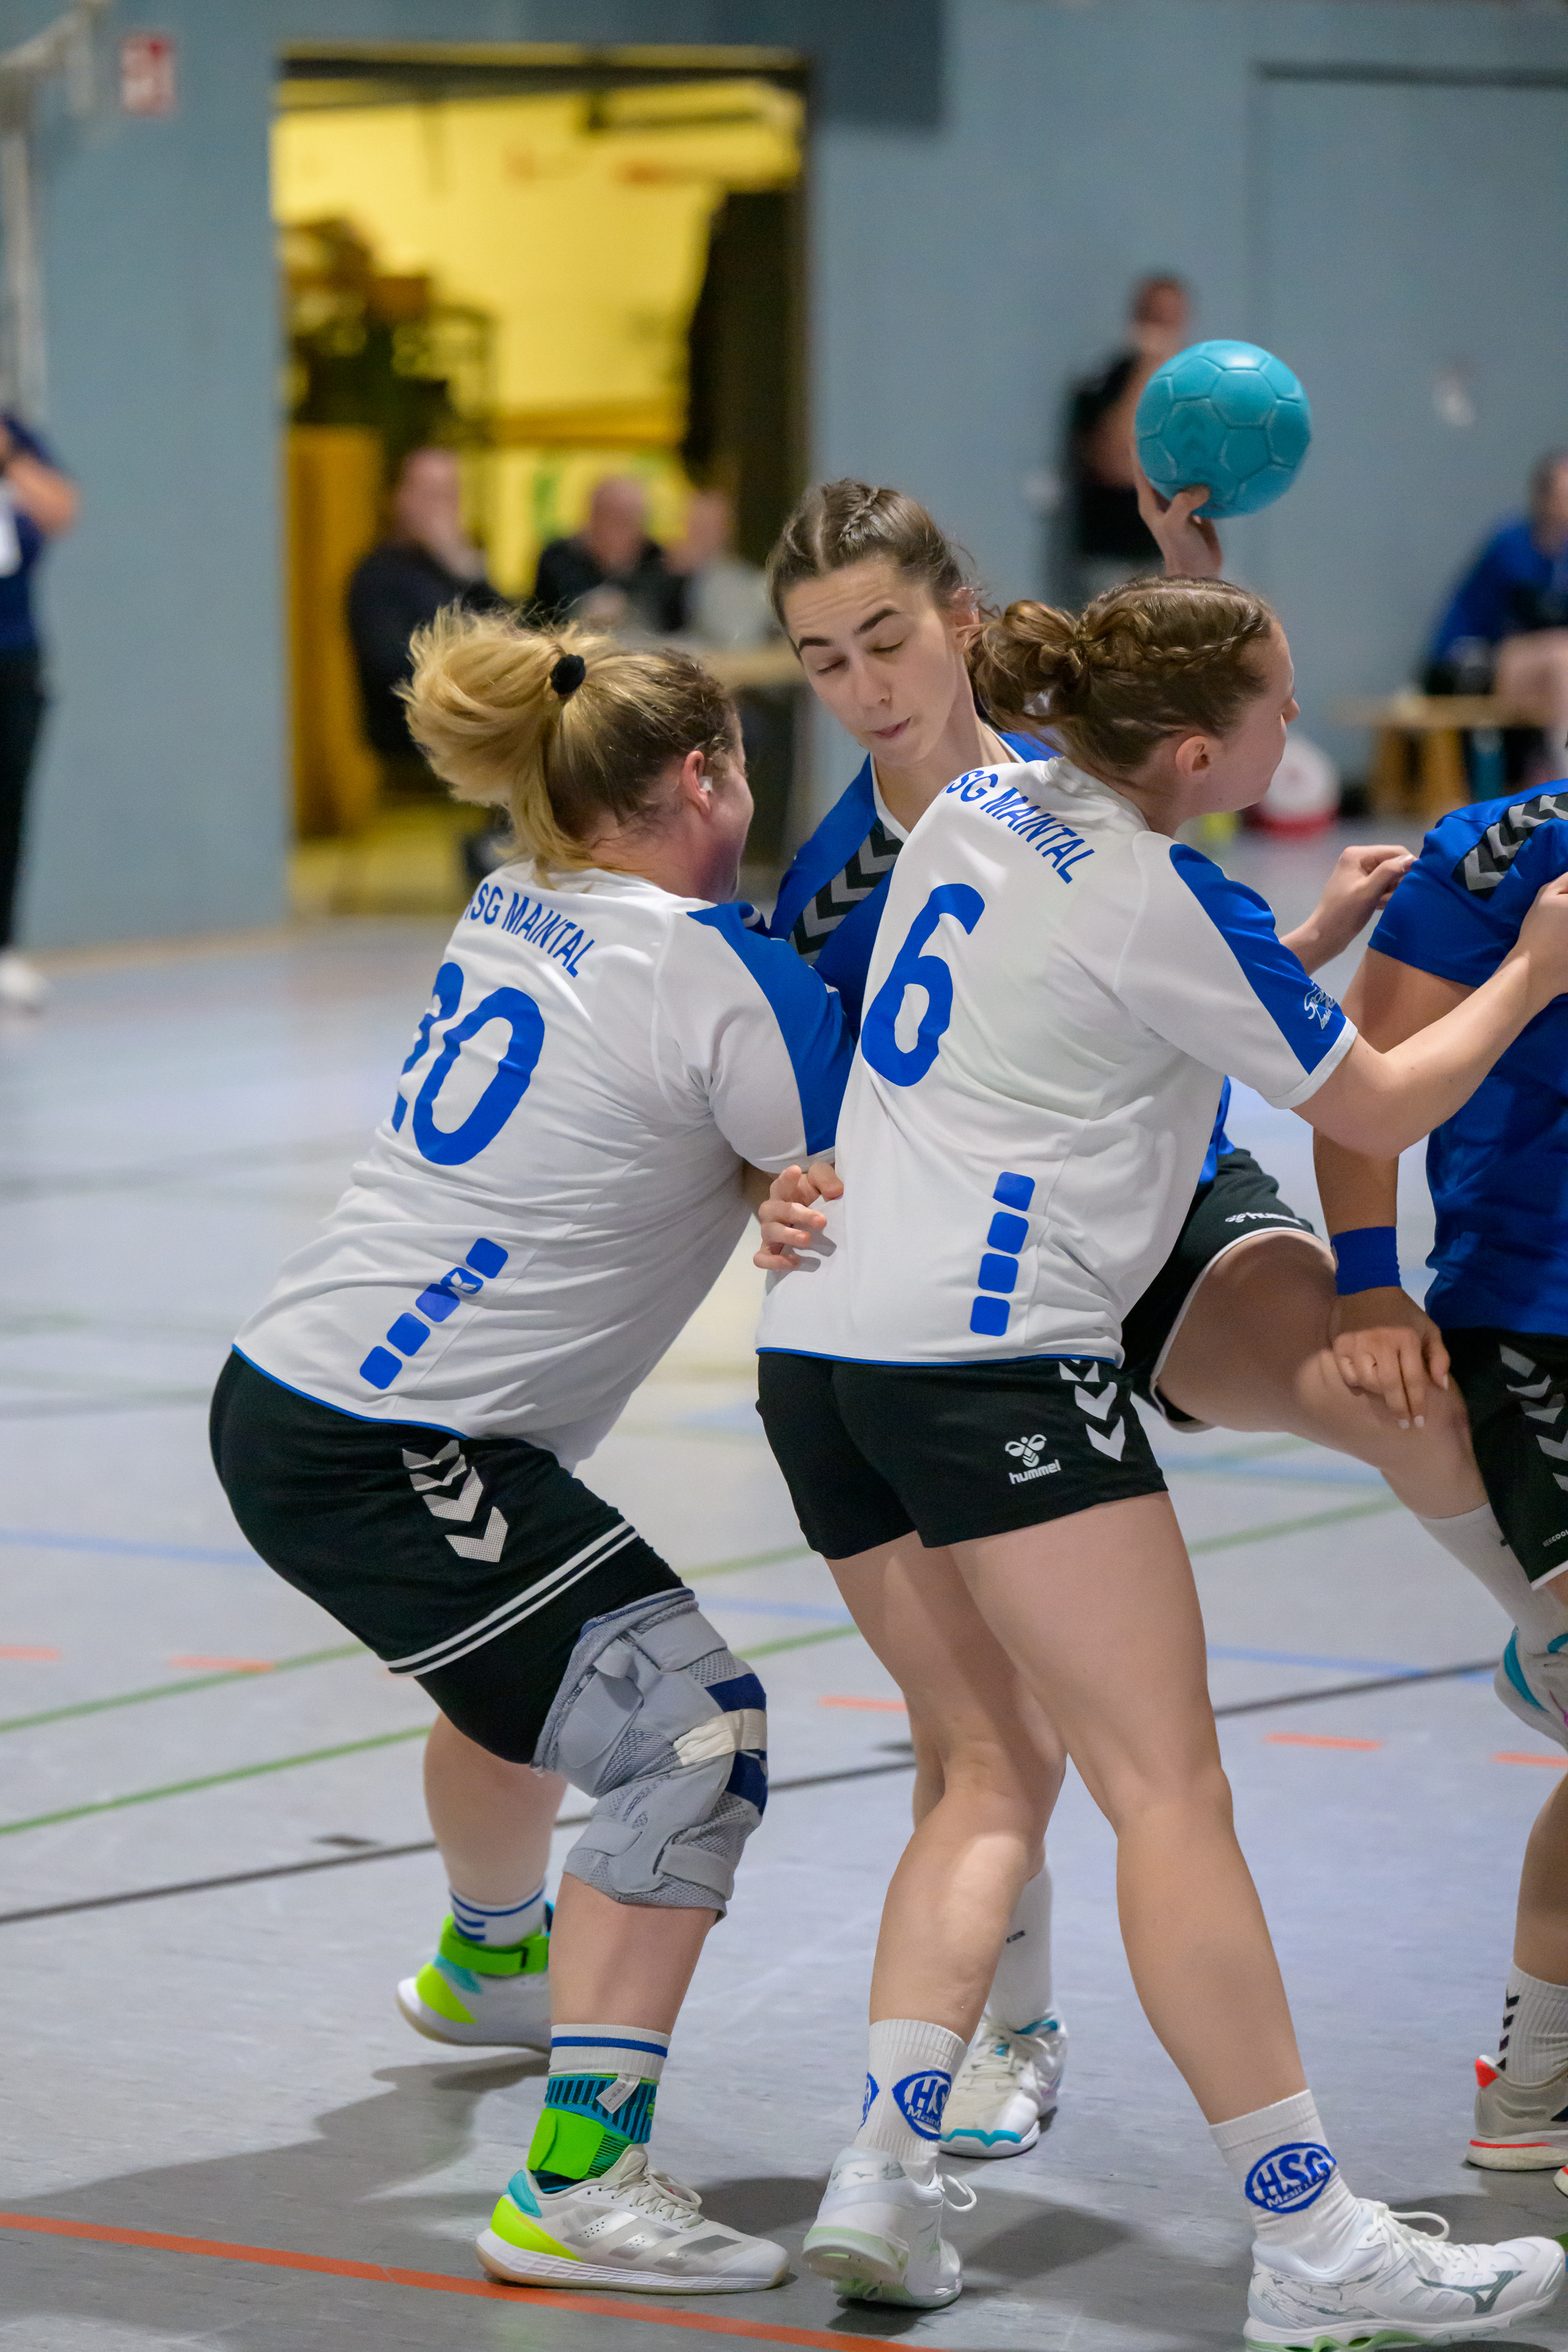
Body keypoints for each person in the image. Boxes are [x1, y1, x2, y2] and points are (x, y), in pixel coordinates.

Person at [751, 536, 1568, 2340]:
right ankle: (1311, 2242)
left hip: (818, 1355)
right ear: (1201, 751)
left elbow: (1108, 991)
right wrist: (1529, 970)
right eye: (1279, 703)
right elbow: (1380, 1101)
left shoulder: (983, 802)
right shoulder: (1164, 893)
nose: (1298, 724)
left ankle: (880, 2176)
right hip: (988, 1363)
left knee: (986, 1767)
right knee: (1165, 1792)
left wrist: (1308, 939)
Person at [210, 612, 852, 2294]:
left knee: (526, 1675)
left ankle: (492, 1960)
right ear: (706, 774)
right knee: (693, 1729)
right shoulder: (720, 976)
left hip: (302, 1388)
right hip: (393, 1440)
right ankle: (578, 2181)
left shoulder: (519, 898)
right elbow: (836, 1162)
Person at [1314, 787, 1568, 2179]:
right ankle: (1536, 2084)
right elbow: (1363, 1083)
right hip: (1537, 1317)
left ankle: (1533, 2085)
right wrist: (1366, 1281)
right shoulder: (1504, 854)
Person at [346, 446, 508, 796]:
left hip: (485, 748)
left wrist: (469, 573)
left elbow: (514, 637)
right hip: (414, 756)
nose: (440, 507)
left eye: (449, 494)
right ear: (398, 497)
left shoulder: (461, 571)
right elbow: (392, 667)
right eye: (428, 493)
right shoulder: (378, 574)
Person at [1427, 448, 1568, 777]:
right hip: (1463, 661)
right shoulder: (1512, 545)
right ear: (1543, 498)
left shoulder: (1563, 554)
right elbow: (1525, 622)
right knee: (1561, 658)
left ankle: (1542, 768)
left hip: (1522, 664)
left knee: (1559, 665)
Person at [0, 414, 77, 1010]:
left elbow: (61, 511)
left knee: (8, 802)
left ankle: (3, 947)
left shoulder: (14, 437)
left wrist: (8, 459)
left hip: (13, 652)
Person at [1064, 273, 1189, 603]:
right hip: (1112, 553)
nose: (1162, 330)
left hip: (1172, 555)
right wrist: (1148, 368)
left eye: (1171, 319)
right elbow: (1114, 465)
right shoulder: (1105, 381)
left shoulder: (1194, 390)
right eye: (1154, 318)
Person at [532, 475, 684, 639]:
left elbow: (672, 624)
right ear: (592, 517)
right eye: (612, 517)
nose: (620, 528)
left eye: (630, 519)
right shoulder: (558, 558)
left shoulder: (659, 561)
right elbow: (542, 620)